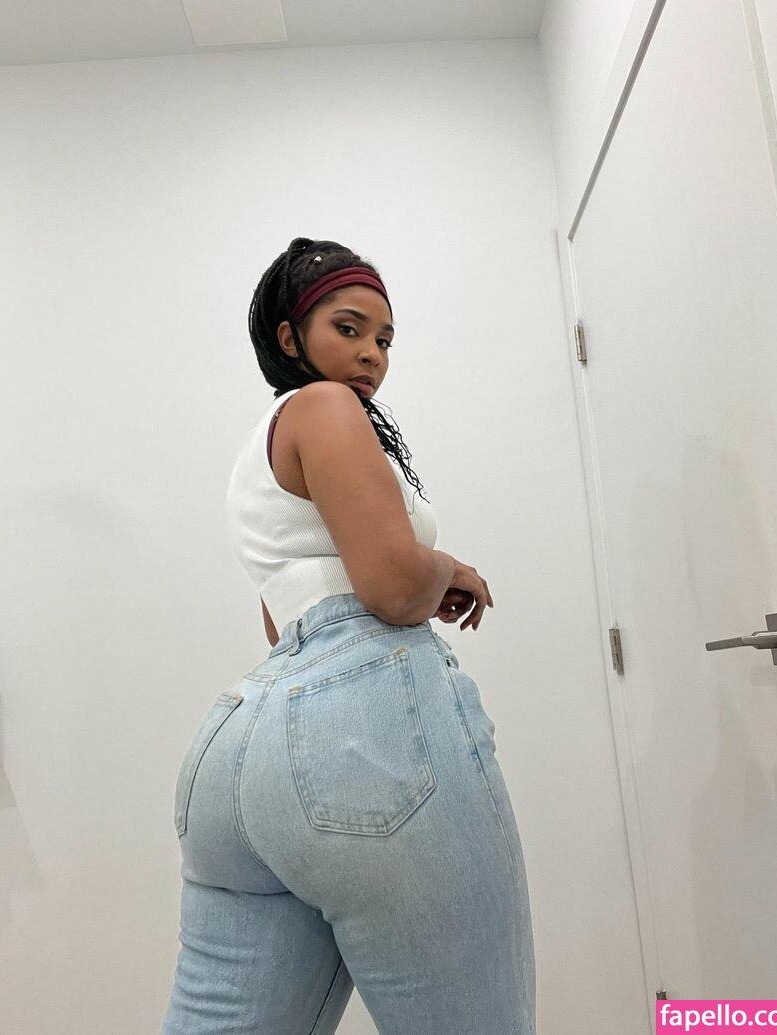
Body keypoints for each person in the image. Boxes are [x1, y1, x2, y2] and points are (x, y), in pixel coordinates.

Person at [160, 237, 537, 1034]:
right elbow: (392, 586)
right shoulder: (326, 408)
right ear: (290, 335)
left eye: (385, 339)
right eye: (349, 327)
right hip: (362, 731)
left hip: (238, 751)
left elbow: (281, 618)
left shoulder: (258, 452)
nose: (371, 354)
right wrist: (447, 567)